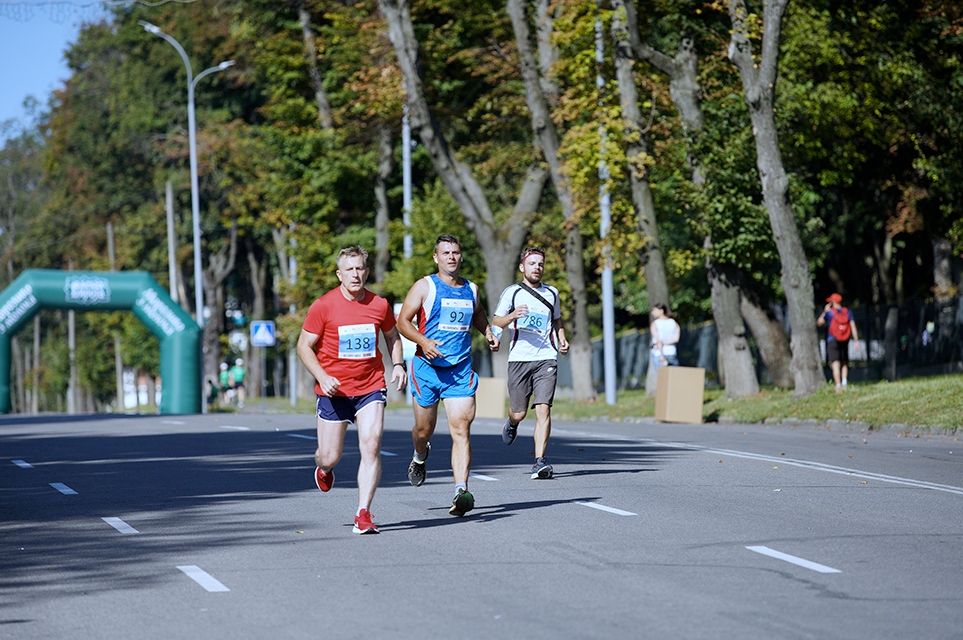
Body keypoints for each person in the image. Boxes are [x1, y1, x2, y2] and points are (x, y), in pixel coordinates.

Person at [296, 246, 407, 534]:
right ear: (339, 274)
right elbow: (303, 346)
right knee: (329, 455)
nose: (355, 274)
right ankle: (324, 468)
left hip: (370, 386)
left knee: (371, 444)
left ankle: (363, 513)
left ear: (366, 272)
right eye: (349, 270)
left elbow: (392, 336)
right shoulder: (323, 306)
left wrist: (398, 364)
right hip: (334, 392)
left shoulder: (379, 305)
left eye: (360, 269)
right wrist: (322, 375)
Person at [396, 234, 499, 517]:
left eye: (455, 252)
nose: (451, 257)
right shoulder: (425, 286)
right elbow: (402, 322)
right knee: (423, 431)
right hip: (427, 370)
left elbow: (477, 313)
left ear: (460, 256)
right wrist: (424, 342)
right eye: (446, 253)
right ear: (436, 257)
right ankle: (420, 455)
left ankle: (460, 490)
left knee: (461, 429)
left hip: (460, 370)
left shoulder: (472, 289)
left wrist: (487, 331)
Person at [492, 246, 569, 479]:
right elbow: (496, 320)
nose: (538, 268)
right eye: (533, 263)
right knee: (519, 412)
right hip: (519, 359)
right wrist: (511, 317)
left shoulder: (552, 293)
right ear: (522, 267)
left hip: (546, 356)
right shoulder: (512, 292)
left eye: (541, 264)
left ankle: (539, 461)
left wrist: (562, 339)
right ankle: (512, 423)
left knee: (543, 408)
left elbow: (557, 320)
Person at [816, 293, 860, 392]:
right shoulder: (847, 312)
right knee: (844, 362)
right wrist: (856, 340)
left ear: (834, 302)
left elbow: (819, 322)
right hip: (845, 339)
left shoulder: (830, 313)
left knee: (835, 363)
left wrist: (825, 311)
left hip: (833, 340)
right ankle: (844, 382)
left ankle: (838, 385)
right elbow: (852, 326)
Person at [650, 303, 680, 375]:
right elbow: (676, 339)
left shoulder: (655, 324)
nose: (652, 312)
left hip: (658, 354)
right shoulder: (674, 323)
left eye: (654, 310)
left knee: (661, 381)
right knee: (674, 379)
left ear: (661, 311)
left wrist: (662, 356)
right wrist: (665, 343)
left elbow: (658, 341)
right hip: (671, 352)